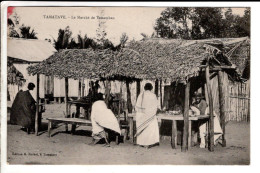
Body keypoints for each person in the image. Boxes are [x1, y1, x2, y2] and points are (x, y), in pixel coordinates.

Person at [135, 83, 159, 148]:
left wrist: (142, 112)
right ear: (151, 88)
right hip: (150, 115)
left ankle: (141, 143)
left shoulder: (141, 95)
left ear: (144, 88)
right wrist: (151, 113)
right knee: (150, 128)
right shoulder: (153, 95)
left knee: (143, 128)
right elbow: (155, 106)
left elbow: (137, 106)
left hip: (142, 115)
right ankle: (148, 143)